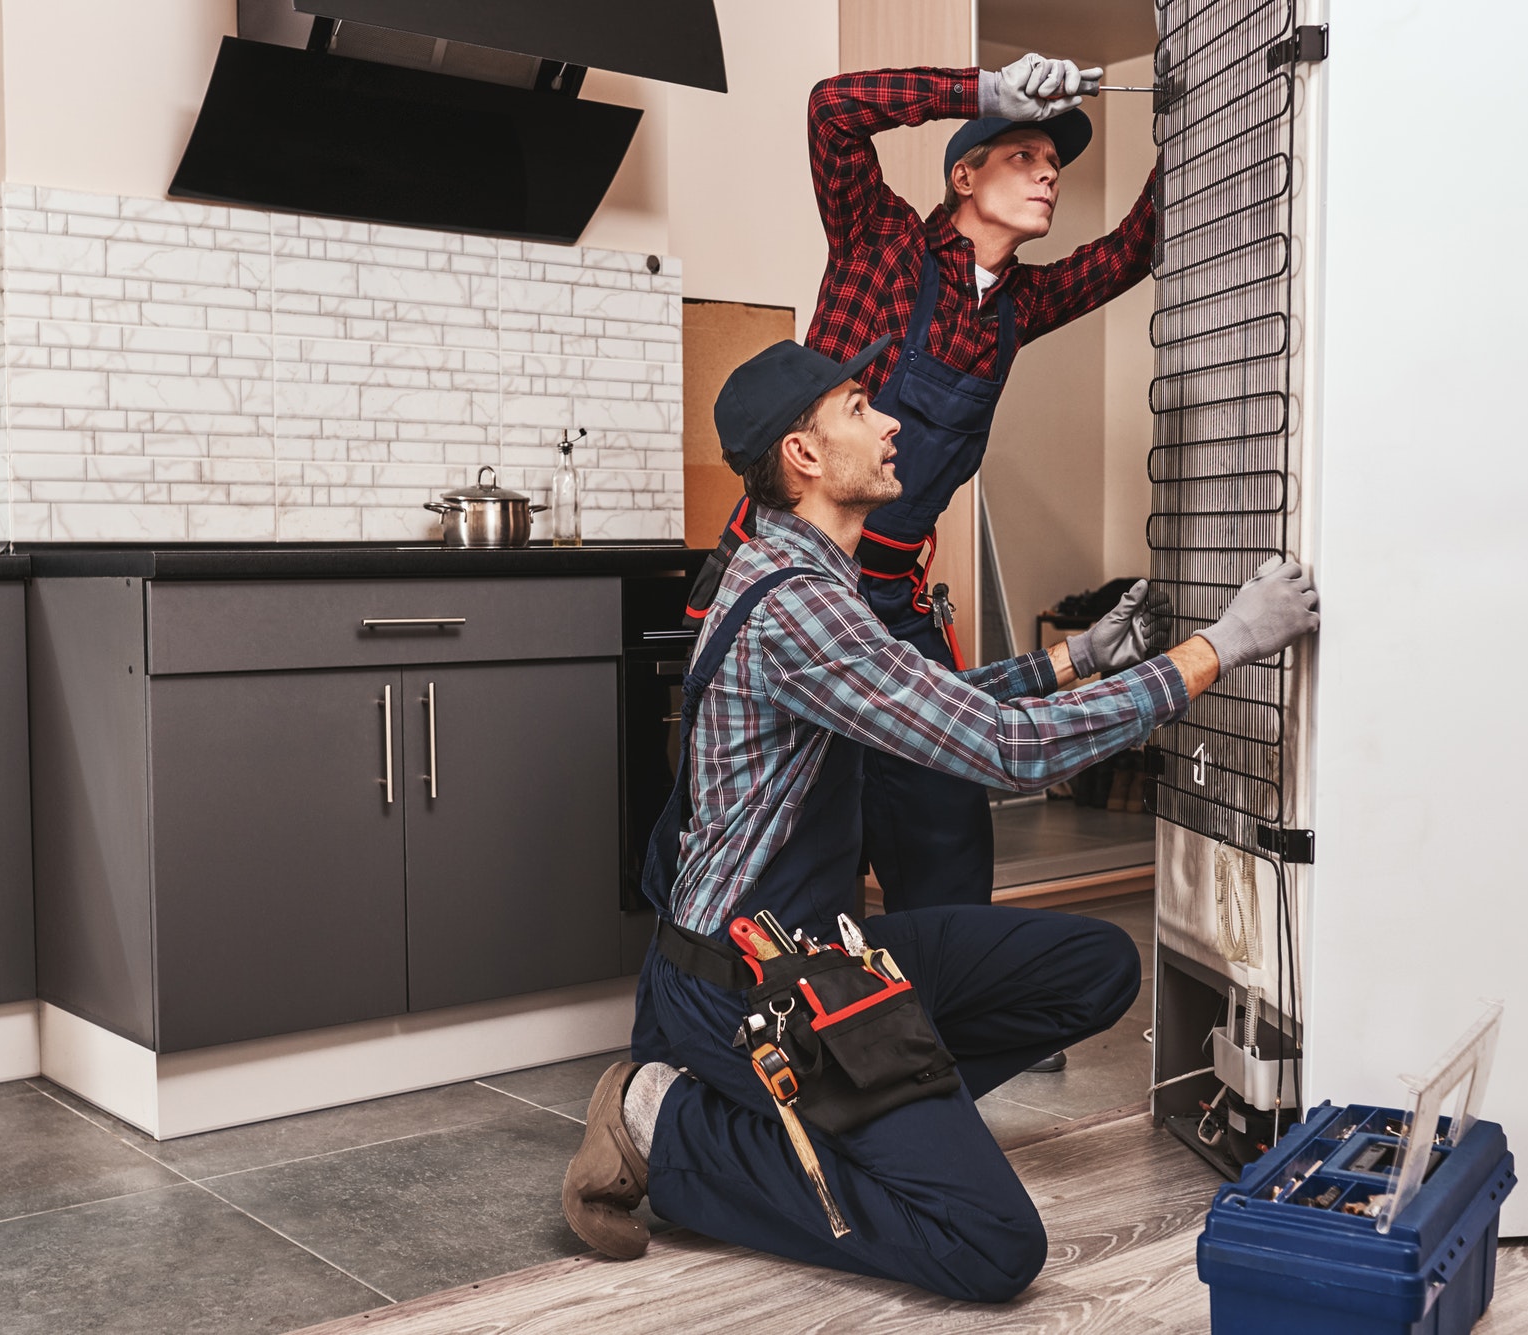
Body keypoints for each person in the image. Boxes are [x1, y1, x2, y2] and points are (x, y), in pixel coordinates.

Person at [560, 341, 1319, 1301]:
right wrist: (1224, 647)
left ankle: (876, 1108)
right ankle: (668, 1121)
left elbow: (929, 705)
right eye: (860, 407)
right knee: (991, 1242)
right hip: (752, 988)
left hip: (819, 951)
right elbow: (1003, 750)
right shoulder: (799, 608)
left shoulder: (807, 580)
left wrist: (1077, 658)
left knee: (1096, 968)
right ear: (803, 455)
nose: (889, 425)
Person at [684, 53, 1162, 917]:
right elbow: (833, 109)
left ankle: (958, 1000)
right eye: (1024, 153)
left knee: (946, 820)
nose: (1049, 171)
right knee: (791, 833)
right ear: (963, 174)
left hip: (896, 604)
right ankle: (766, 1024)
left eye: (1055, 164)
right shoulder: (885, 244)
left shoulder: (1018, 309)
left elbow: (1132, 250)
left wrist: (1198, 106)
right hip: (792, 578)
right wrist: (982, 91)